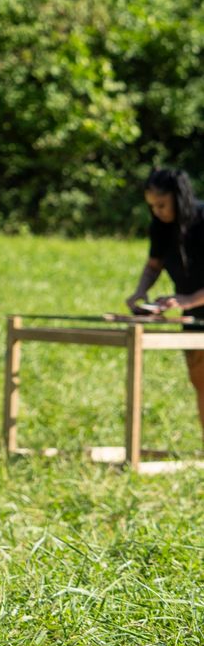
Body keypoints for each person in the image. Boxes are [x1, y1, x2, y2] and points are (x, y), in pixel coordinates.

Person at [126, 165, 204, 440]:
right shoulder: (160, 227)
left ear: (178, 196)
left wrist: (188, 299)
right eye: (152, 206)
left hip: (194, 304)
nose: (157, 211)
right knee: (200, 381)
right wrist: (140, 293)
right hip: (193, 317)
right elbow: (153, 266)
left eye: (161, 204)